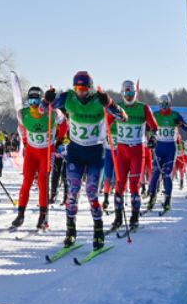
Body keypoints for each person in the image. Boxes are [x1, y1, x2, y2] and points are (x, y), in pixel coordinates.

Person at [45, 72, 127, 249]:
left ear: (90, 88)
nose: (80, 92)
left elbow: (123, 117)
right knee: (72, 193)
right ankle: (70, 232)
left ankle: (98, 233)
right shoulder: (68, 97)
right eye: (77, 88)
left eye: (83, 89)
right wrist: (47, 100)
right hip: (75, 151)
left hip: (95, 152)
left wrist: (111, 104)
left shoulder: (100, 99)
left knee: (91, 193)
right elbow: (45, 109)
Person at [107, 80, 158, 230]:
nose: (128, 96)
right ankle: (117, 218)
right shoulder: (118, 108)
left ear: (135, 93)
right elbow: (106, 124)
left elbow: (154, 127)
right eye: (125, 93)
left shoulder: (144, 108)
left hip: (137, 151)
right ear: (122, 93)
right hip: (122, 151)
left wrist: (153, 138)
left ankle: (134, 218)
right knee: (120, 184)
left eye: (131, 93)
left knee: (134, 185)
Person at [13, 86, 67, 230]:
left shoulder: (53, 113)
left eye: (37, 100)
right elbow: (21, 128)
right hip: (31, 151)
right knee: (27, 181)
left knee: (43, 181)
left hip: (47, 151)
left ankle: (43, 216)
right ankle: (20, 214)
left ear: (42, 100)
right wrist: (25, 142)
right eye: (31, 100)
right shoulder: (22, 113)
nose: (34, 104)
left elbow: (64, 123)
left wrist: (60, 139)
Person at [145, 95, 187, 213]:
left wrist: (180, 123)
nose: (163, 107)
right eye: (161, 105)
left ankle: (168, 200)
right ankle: (152, 198)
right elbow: (147, 128)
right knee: (156, 173)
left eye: (165, 105)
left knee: (167, 174)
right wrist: (150, 136)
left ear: (169, 104)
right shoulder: (156, 115)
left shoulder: (175, 114)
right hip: (159, 147)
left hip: (170, 147)